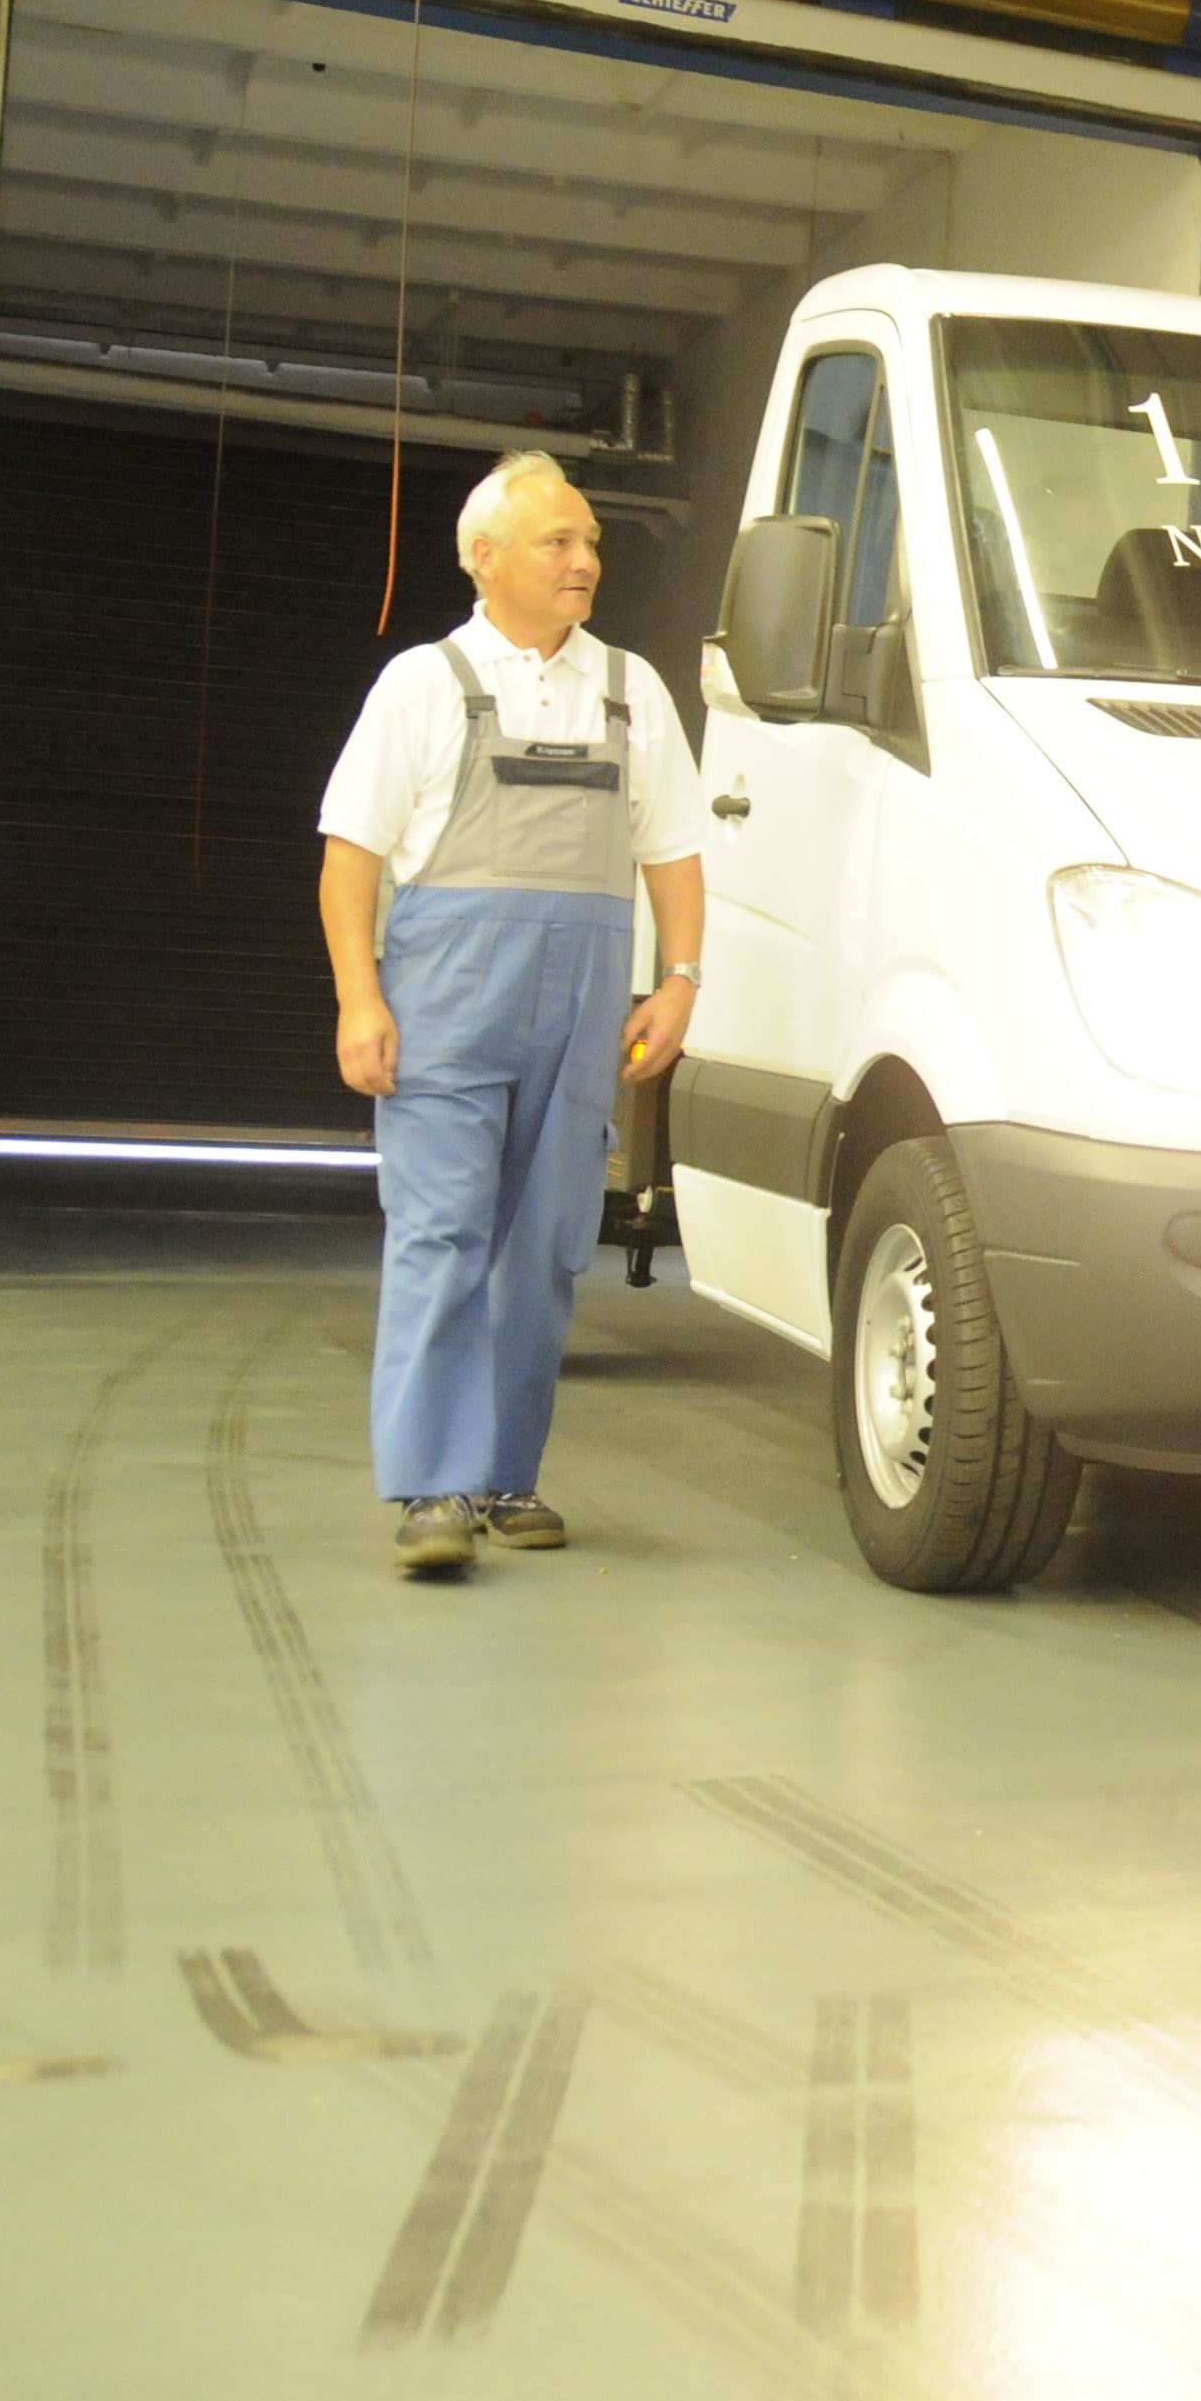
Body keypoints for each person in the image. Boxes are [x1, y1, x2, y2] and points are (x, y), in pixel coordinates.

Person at [318, 452, 705, 1577]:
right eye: (558, 542)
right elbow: (349, 861)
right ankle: (432, 1488)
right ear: (485, 556)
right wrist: (359, 996)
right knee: (440, 1237)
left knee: (543, 1249)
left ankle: (505, 1476)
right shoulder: (421, 686)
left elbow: (673, 851)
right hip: (444, 1004)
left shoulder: (630, 688)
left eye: (591, 544)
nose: (585, 561)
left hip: (582, 1012)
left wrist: (678, 979)